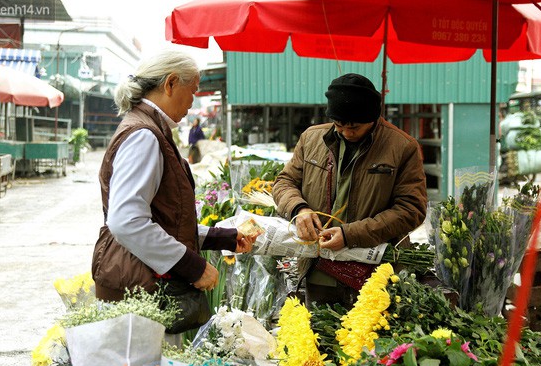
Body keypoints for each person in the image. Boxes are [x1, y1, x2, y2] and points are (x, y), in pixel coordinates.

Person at [91, 50, 258, 336]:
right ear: (170, 84)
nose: (193, 102)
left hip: (138, 285)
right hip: (139, 288)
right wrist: (194, 267)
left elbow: (165, 219)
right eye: (192, 91)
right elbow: (127, 221)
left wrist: (223, 238)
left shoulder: (149, 129)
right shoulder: (144, 135)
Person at [272, 73, 428, 308]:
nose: (345, 132)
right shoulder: (312, 139)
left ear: (373, 118)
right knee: (318, 336)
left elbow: (411, 209)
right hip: (319, 269)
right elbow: (284, 183)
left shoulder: (402, 147)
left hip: (375, 274)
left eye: (354, 127)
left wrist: (350, 235)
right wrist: (299, 208)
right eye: (339, 125)